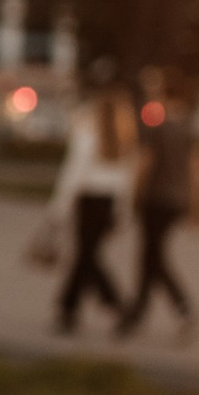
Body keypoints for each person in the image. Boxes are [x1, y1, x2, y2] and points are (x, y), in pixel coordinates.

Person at [46, 68, 135, 334]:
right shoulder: (122, 135)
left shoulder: (88, 130)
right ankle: (68, 309)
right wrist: (122, 212)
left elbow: (74, 172)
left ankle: (115, 305)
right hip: (108, 202)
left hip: (88, 200)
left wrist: (59, 206)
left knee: (87, 257)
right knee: (87, 256)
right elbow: (125, 180)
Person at [120, 76, 199, 339]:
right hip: (178, 202)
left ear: (165, 97)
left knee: (152, 258)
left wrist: (132, 198)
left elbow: (144, 165)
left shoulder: (157, 129)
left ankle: (183, 309)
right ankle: (136, 314)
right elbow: (198, 172)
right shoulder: (190, 130)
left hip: (155, 200)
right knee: (151, 257)